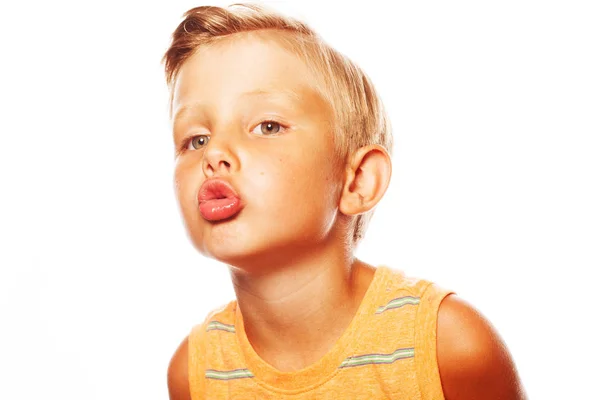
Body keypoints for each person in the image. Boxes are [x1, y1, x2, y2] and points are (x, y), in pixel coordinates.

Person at [163, 3, 526, 399]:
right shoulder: (195, 373)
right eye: (196, 139)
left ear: (357, 181)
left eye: (267, 126)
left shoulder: (450, 345)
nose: (214, 154)